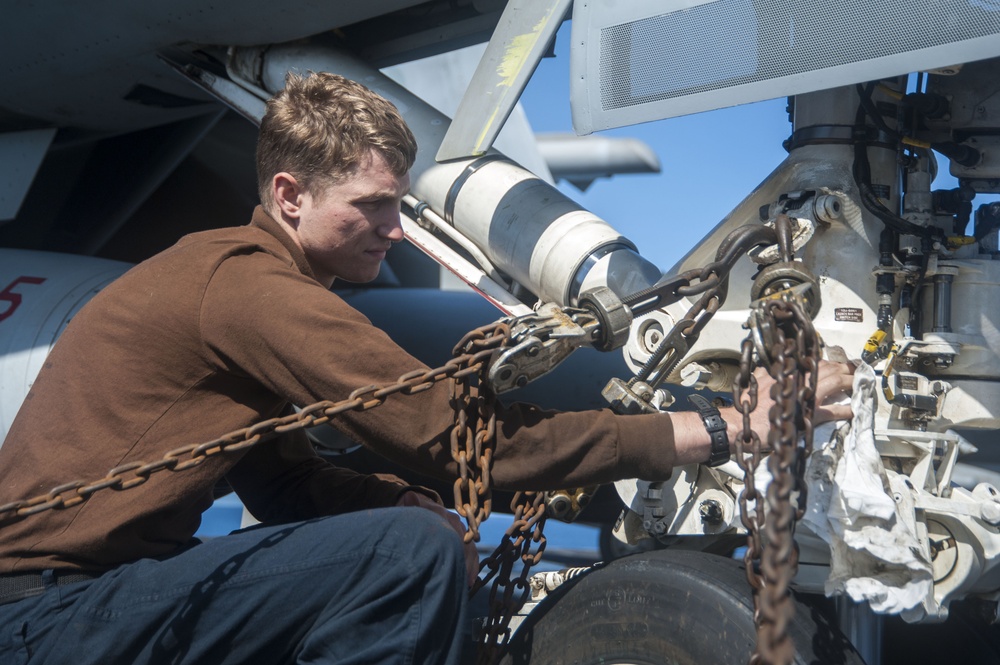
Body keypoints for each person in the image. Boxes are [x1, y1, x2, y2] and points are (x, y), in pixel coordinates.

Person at [0, 72, 855, 665]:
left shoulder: (226, 274)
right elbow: (455, 439)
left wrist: (390, 496)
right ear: (291, 196)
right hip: (47, 619)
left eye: (399, 205)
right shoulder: (249, 287)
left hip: (74, 607)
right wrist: (720, 426)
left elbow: (282, 484)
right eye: (371, 206)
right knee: (409, 555)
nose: (396, 230)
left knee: (406, 531)